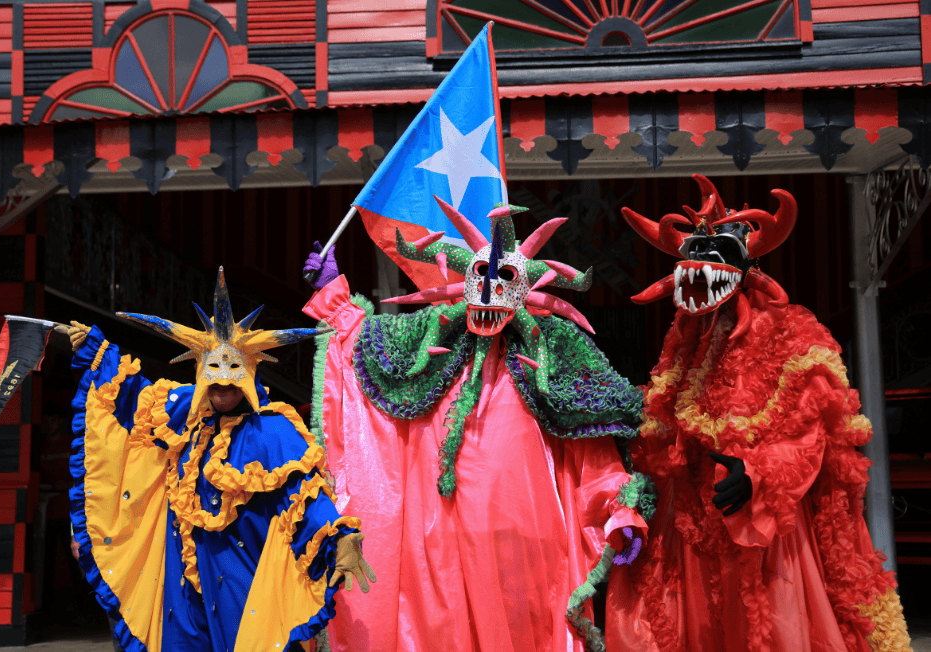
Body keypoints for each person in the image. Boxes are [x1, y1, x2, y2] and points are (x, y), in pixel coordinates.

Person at [302, 198, 653, 652]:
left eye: (503, 278)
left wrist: (619, 509)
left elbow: (592, 444)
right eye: (480, 276)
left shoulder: (555, 356)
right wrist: (333, 297)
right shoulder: (431, 342)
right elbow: (365, 350)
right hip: (437, 548)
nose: (489, 291)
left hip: (522, 550)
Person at [606, 175, 911, 652]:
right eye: (693, 256)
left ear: (747, 269)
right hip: (694, 523)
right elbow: (664, 433)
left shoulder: (789, 334)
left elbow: (810, 433)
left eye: (716, 255)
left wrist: (757, 474)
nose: (699, 269)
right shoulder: (683, 341)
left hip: (767, 527)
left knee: (771, 626)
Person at [60, 268, 375, 652]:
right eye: (214, 372)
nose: (223, 382)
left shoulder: (273, 432)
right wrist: (96, 350)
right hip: (181, 592)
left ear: (249, 374)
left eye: (233, 373)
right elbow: (130, 396)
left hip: (241, 583)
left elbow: (307, 497)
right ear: (200, 373)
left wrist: (337, 535)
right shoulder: (182, 414)